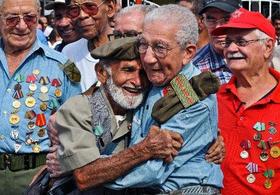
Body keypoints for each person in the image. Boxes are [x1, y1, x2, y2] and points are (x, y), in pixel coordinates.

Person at [76, 5, 222, 193]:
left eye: (160, 48)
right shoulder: (153, 77)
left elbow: (151, 170)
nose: (148, 58)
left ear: (188, 53)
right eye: (143, 44)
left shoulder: (192, 97)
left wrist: (87, 170)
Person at [47, 37, 184, 194]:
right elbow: (85, 177)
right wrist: (145, 149)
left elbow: (189, 99)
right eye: (128, 70)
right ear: (102, 73)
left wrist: (211, 135)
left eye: (143, 73)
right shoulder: (78, 109)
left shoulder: (147, 101)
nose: (137, 82)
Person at [0, 0, 81, 193]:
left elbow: (78, 126)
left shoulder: (62, 66)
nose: (21, 26)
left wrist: (61, 163)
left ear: (38, 19)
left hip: (35, 177)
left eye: (29, 18)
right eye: (12, 19)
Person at [212, 7, 280, 194]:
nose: (232, 49)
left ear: (267, 47)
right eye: (228, 42)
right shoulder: (213, 99)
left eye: (241, 41)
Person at [62, 0, 116, 92]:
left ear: (110, 8)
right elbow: (71, 92)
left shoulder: (129, 49)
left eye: (90, 7)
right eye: (74, 10)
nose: (82, 15)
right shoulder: (68, 53)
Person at [192, 0, 241, 84]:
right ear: (202, 22)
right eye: (211, 19)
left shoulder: (258, 56)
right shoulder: (192, 68)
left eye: (226, 19)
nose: (218, 27)